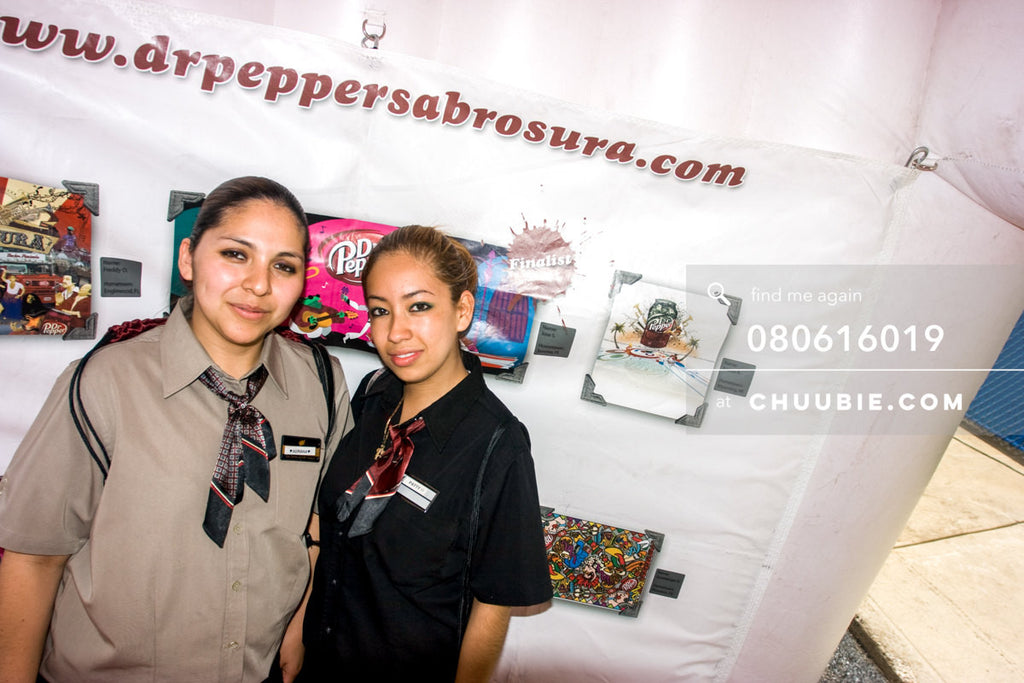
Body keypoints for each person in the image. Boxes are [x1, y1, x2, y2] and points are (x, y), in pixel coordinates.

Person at [0, 176, 351, 683]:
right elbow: (33, 558)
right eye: (236, 254)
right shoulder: (106, 381)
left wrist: (299, 620)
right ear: (188, 259)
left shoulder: (321, 381)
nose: (259, 284)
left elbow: (319, 515)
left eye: (284, 266)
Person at [300, 225, 552, 682]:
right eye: (381, 310)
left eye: (419, 306)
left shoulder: (499, 444)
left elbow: (492, 605)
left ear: (462, 310)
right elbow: (329, 527)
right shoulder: (373, 396)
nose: (397, 332)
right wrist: (298, 628)